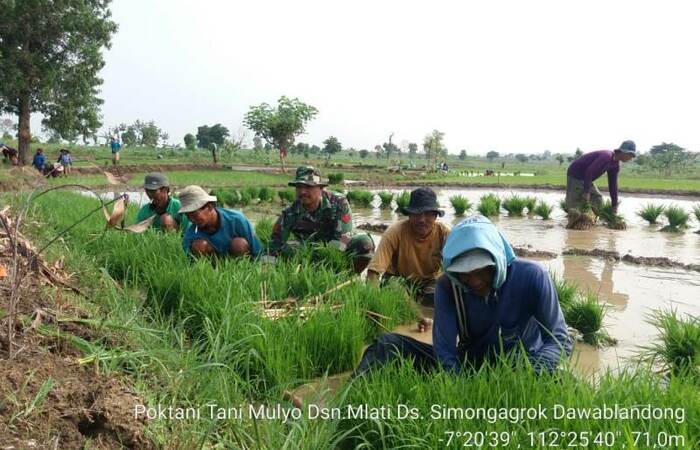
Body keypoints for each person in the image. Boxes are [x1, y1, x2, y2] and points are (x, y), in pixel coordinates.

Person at [354, 215, 572, 376]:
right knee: (388, 346)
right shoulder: (448, 286)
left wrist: (531, 375)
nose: (474, 281)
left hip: (524, 366)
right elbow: (445, 351)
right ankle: (348, 410)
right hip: (471, 364)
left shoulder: (532, 277)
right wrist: (459, 385)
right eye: (464, 275)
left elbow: (559, 339)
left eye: (481, 271)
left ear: (497, 260)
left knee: (563, 381)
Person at [269, 166, 375, 274]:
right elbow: (275, 243)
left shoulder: (338, 202)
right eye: (299, 187)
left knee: (364, 243)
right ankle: (300, 275)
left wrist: (326, 260)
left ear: (320, 188)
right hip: (307, 253)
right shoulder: (290, 212)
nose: (302, 192)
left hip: (337, 250)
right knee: (285, 249)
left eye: (308, 187)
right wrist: (266, 267)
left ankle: (348, 277)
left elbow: (344, 237)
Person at [366, 187, 450, 305]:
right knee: (397, 298)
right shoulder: (394, 232)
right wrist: (372, 303)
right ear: (409, 215)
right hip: (398, 279)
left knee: (438, 299)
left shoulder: (444, 234)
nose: (422, 219)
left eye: (427, 214)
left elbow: (456, 270)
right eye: (417, 214)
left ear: (435, 216)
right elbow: (373, 272)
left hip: (429, 282)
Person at [179, 185, 263, 258]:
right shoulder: (192, 231)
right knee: (199, 245)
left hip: (237, 263)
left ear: (209, 206)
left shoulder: (236, 219)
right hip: (214, 265)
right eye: (188, 215)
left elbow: (257, 250)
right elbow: (187, 256)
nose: (192, 219)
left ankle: (241, 270)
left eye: (194, 214)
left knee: (239, 244)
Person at [565, 140, 636, 212]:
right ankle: (574, 217)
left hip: (586, 178)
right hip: (575, 174)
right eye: (630, 155)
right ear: (624, 152)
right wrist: (586, 192)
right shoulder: (606, 156)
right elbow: (589, 172)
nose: (631, 158)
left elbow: (613, 185)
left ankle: (592, 219)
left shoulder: (615, 165)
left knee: (597, 198)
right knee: (575, 202)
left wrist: (614, 205)